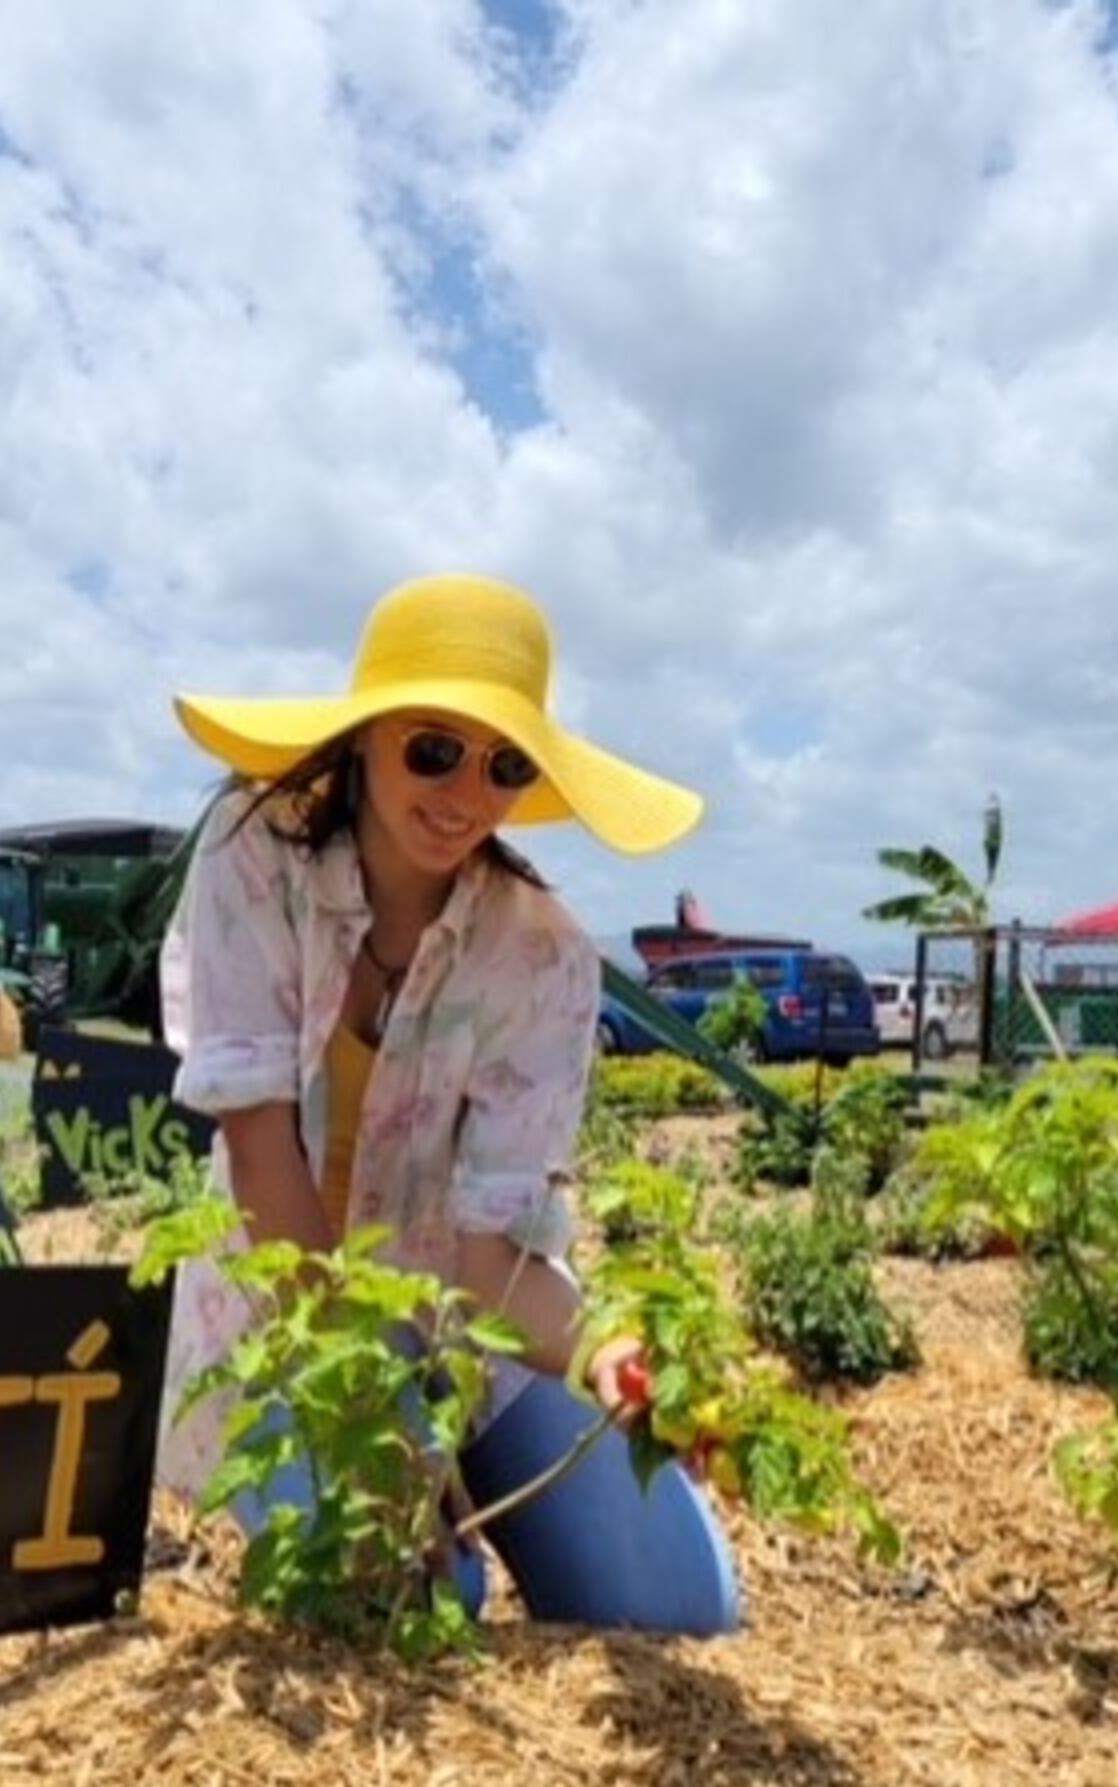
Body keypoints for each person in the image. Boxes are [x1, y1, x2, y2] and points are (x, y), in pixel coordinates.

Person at [156, 573, 741, 1635]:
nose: (463, 793)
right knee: (419, 1599)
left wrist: (610, 1360)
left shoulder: (543, 955)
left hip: (461, 1336)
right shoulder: (254, 855)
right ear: (367, 735)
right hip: (289, 1328)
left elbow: (493, 1259)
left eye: (504, 765)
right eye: (433, 748)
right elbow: (261, 1160)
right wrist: (377, 1425)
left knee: (678, 1603)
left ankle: (462, 1453)